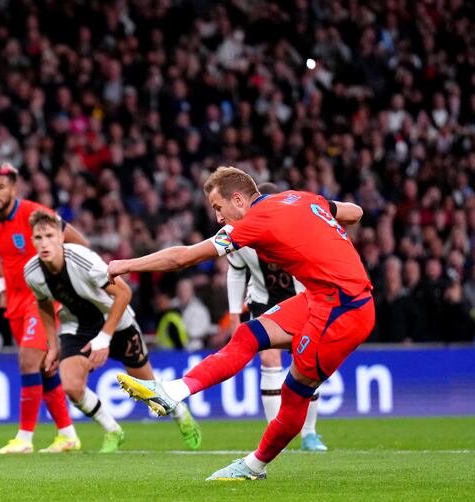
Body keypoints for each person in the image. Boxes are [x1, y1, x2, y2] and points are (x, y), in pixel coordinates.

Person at [108, 166, 373, 480]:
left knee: (294, 393)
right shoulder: (299, 197)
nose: (219, 218)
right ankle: (174, 392)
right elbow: (354, 212)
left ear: (238, 199)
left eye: (219, 208)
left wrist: (125, 264)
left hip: (344, 310)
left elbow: (184, 258)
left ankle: (254, 466)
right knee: (248, 333)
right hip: (319, 297)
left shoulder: (254, 222)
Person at [23, 210, 202, 452]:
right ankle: (112, 430)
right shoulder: (32, 272)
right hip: (77, 326)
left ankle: (180, 413)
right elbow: (43, 303)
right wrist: (52, 345)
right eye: (38, 237)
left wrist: (104, 339)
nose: (44, 243)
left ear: (60, 238)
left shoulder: (83, 260)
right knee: (72, 386)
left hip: (117, 323)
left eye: (49, 235)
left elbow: (124, 293)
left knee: (148, 389)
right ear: (32, 241)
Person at [0, 163, 87, 454]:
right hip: (13, 300)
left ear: (14, 188)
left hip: (42, 298)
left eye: (1, 187)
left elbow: (79, 243)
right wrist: (0, 287)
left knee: (28, 359)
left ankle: (24, 438)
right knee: (43, 367)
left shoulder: (35, 214)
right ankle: (67, 435)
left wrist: (68, 282)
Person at [226, 182, 327, 452]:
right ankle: (276, 433)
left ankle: (309, 433)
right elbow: (236, 271)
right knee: (269, 359)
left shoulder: (292, 226)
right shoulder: (239, 233)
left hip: (301, 297)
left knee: (305, 363)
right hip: (262, 299)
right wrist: (234, 312)